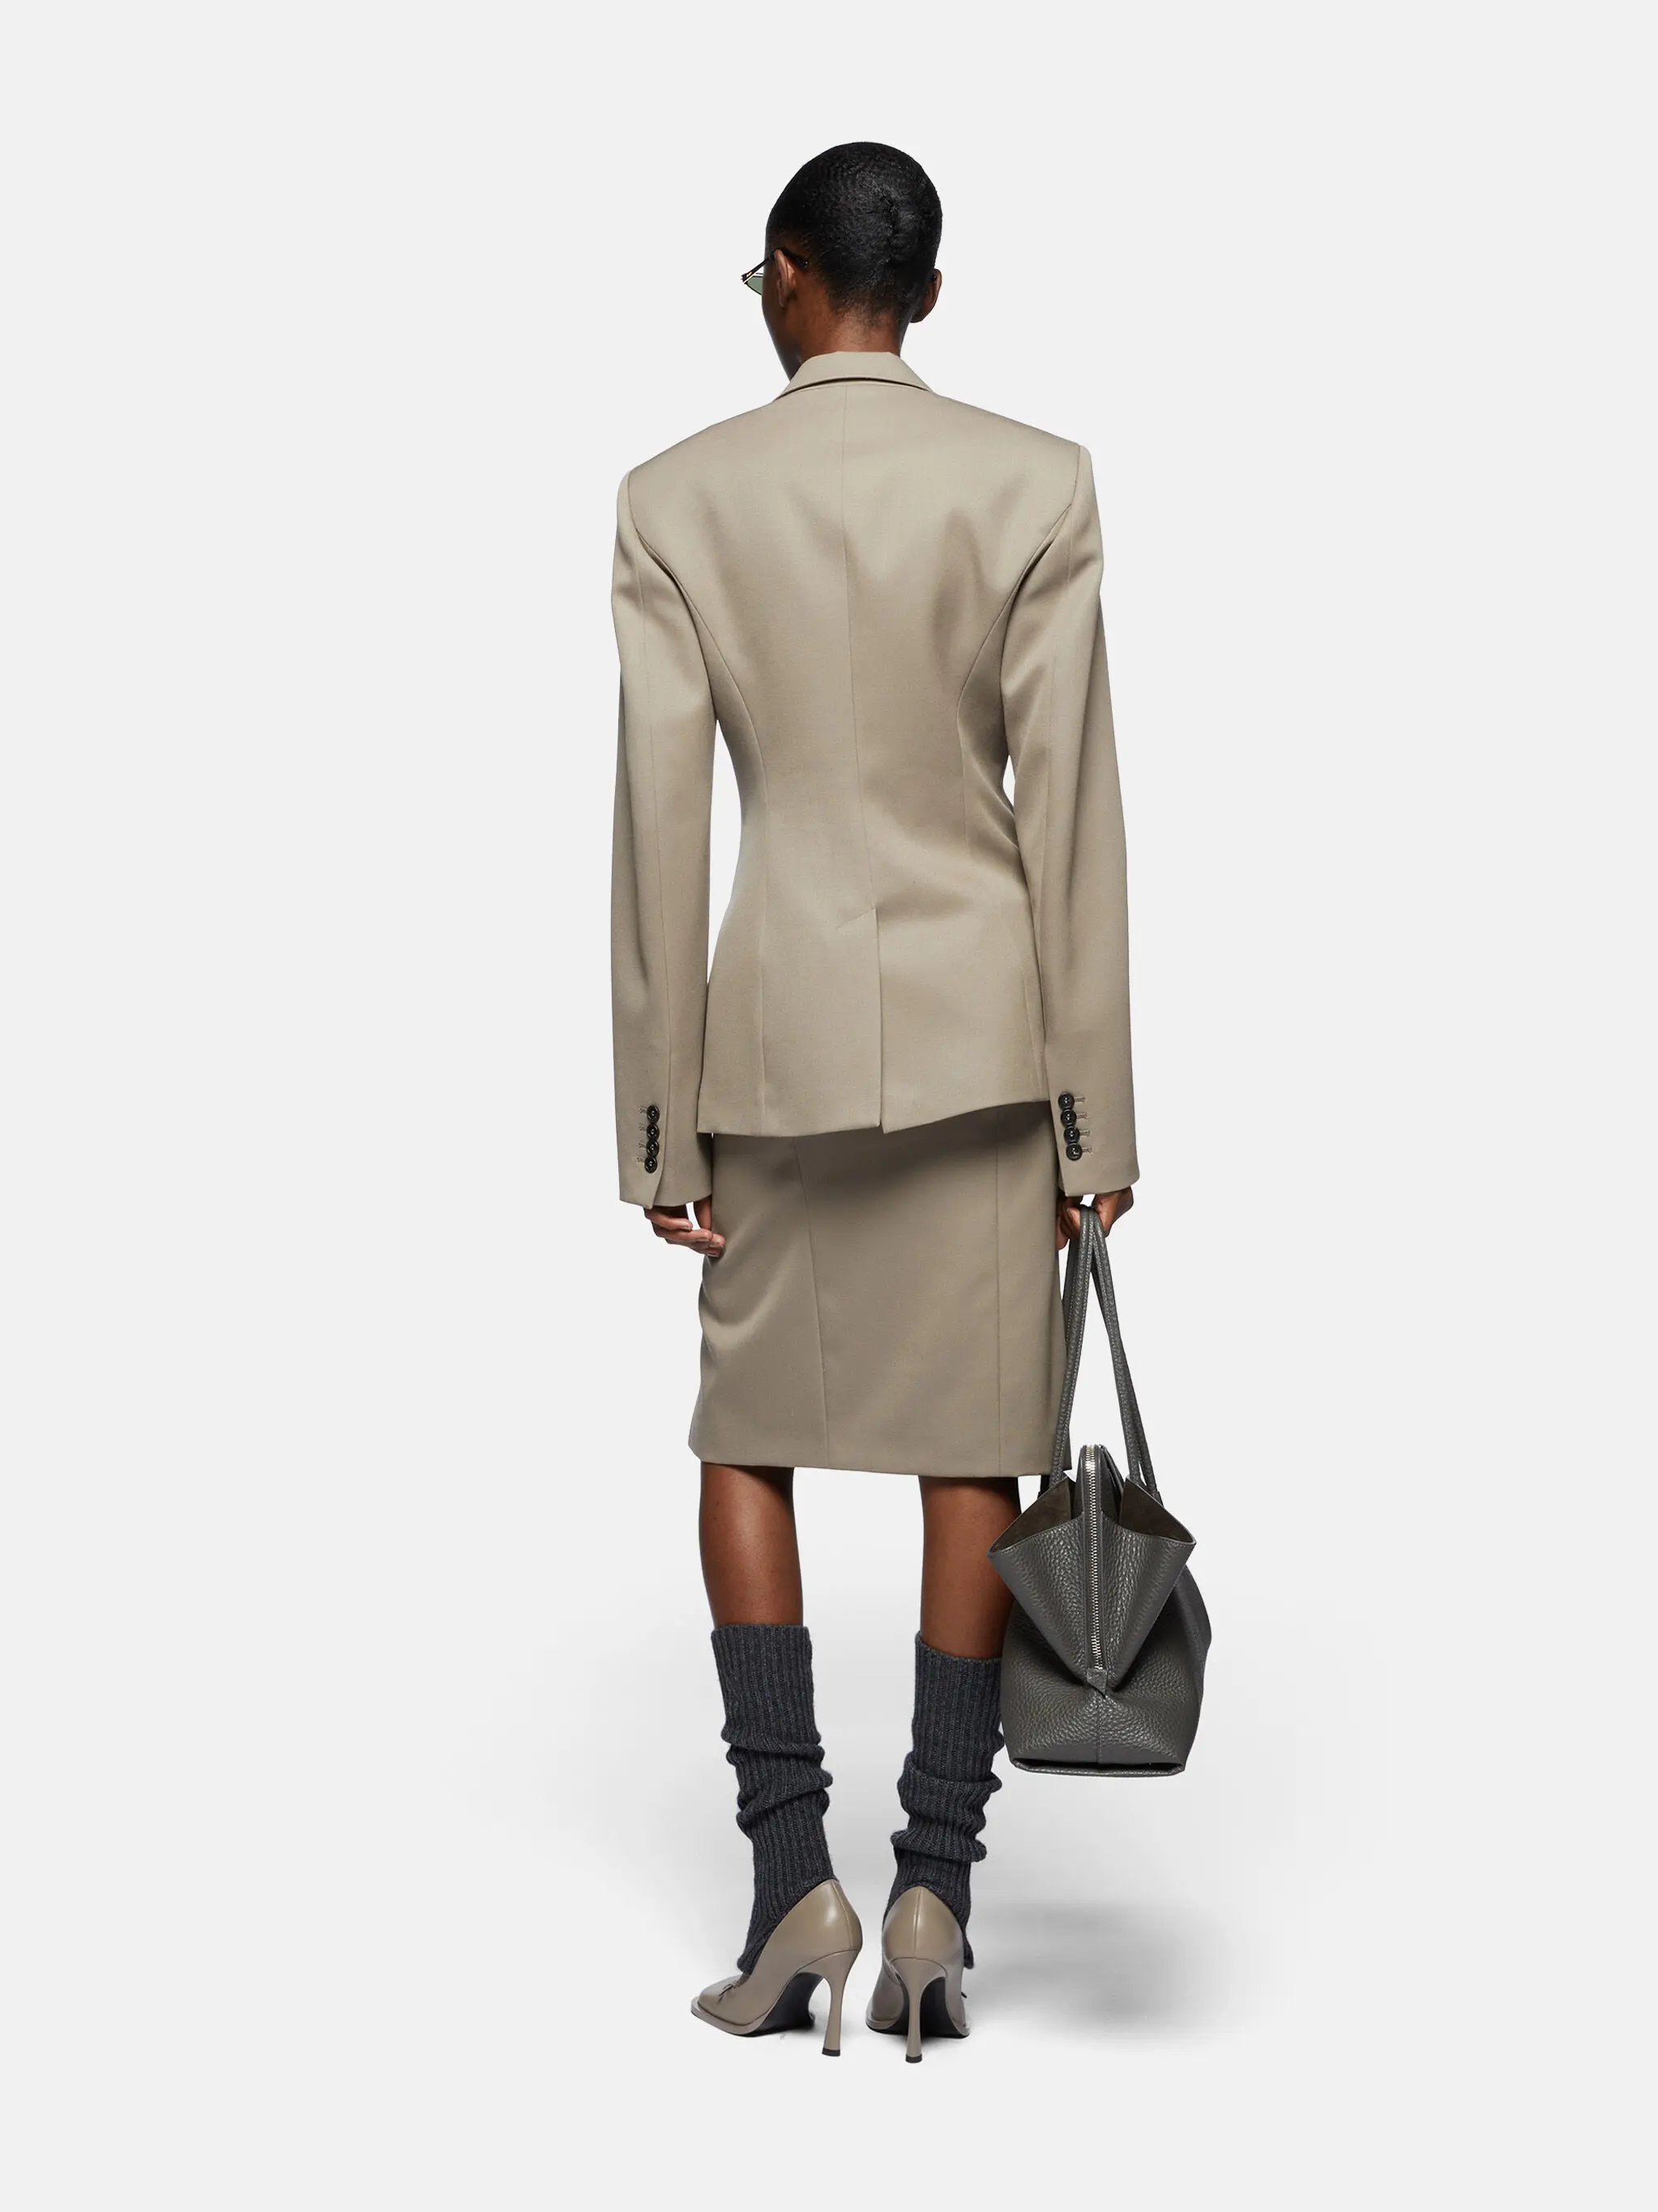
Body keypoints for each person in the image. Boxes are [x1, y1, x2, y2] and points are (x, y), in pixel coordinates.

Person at [609, 142, 1136, 2059]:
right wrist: (1096, 1130)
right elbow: (1071, 815)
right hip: (992, 1051)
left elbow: (662, 822)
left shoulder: (678, 498)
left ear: (786, 273)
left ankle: (790, 1891)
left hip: (774, 1052)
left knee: (746, 1438)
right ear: (923, 288)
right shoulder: (1034, 482)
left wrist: (657, 1122)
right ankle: (935, 1900)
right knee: (969, 1453)